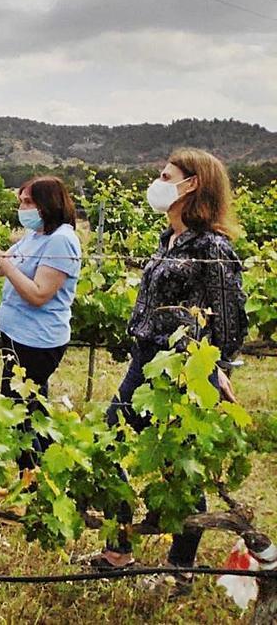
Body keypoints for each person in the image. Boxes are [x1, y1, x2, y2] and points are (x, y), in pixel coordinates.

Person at [84, 149, 247, 592]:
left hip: (182, 370)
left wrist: (217, 368)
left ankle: (180, 568)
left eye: (165, 175)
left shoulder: (212, 247)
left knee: (180, 465)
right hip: (145, 361)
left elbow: (229, 319)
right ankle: (119, 546)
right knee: (108, 439)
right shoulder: (168, 239)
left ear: (191, 184)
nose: (156, 182)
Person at [0, 176, 80, 467]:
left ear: (48, 203)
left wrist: (0, 260)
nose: (23, 208)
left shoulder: (62, 241)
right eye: (21, 202)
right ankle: (48, 472)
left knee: (21, 416)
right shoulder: (36, 236)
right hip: (18, 336)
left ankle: (32, 481)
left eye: (28, 202)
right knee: (32, 411)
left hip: (37, 342)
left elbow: (39, 294)